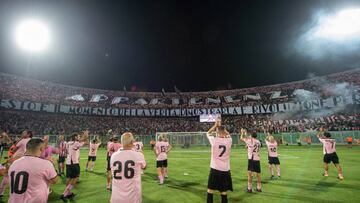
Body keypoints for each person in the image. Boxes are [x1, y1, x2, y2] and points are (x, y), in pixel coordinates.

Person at [8, 138, 58, 203]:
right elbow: (55, 180)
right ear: (41, 148)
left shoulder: (14, 163)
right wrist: (52, 164)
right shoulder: (46, 164)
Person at [110, 132, 146, 203]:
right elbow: (144, 167)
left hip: (116, 197)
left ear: (121, 142)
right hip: (133, 197)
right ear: (132, 142)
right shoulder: (138, 155)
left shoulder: (113, 156)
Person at [206, 120, 232, 203]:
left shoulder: (214, 140)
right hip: (225, 169)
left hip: (215, 169)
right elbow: (228, 135)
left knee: (210, 190)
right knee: (223, 191)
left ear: (217, 132)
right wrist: (222, 128)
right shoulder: (229, 140)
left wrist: (215, 125)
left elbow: (208, 133)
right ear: (224, 132)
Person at [60, 130, 89, 201]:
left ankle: (69, 193)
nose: (79, 137)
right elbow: (85, 142)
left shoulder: (68, 143)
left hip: (68, 163)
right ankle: (64, 194)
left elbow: (81, 141)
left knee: (69, 178)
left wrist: (83, 137)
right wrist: (86, 135)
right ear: (75, 137)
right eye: (78, 136)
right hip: (74, 163)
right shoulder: (76, 143)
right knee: (75, 178)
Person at [240, 128, 262, 193]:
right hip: (257, 158)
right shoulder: (258, 141)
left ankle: (249, 188)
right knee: (258, 174)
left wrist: (242, 132)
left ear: (251, 136)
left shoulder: (250, 140)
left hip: (252, 159)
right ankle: (259, 188)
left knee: (249, 174)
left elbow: (241, 138)